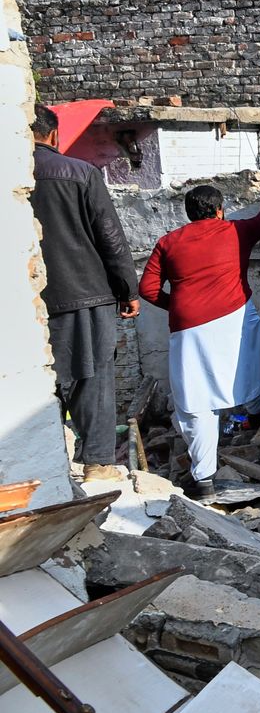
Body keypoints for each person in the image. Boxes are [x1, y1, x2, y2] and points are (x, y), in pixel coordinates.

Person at [140, 183, 260, 496]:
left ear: (188, 213)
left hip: (188, 328)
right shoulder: (236, 231)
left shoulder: (168, 242)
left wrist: (180, 305)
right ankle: (257, 407)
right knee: (252, 362)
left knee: (196, 400)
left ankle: (204, 479)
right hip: (235, 316)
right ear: (219, 210)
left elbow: (147, 289)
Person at [29, 105, 140, 483]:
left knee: (43, 383)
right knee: (92, 377)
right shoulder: (79, 173)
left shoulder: (14, 175)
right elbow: (110, 235)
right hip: (85, 291)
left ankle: (44, 464)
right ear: (54, 136)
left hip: (32, 299)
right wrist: (128, 289)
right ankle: (97, 463)